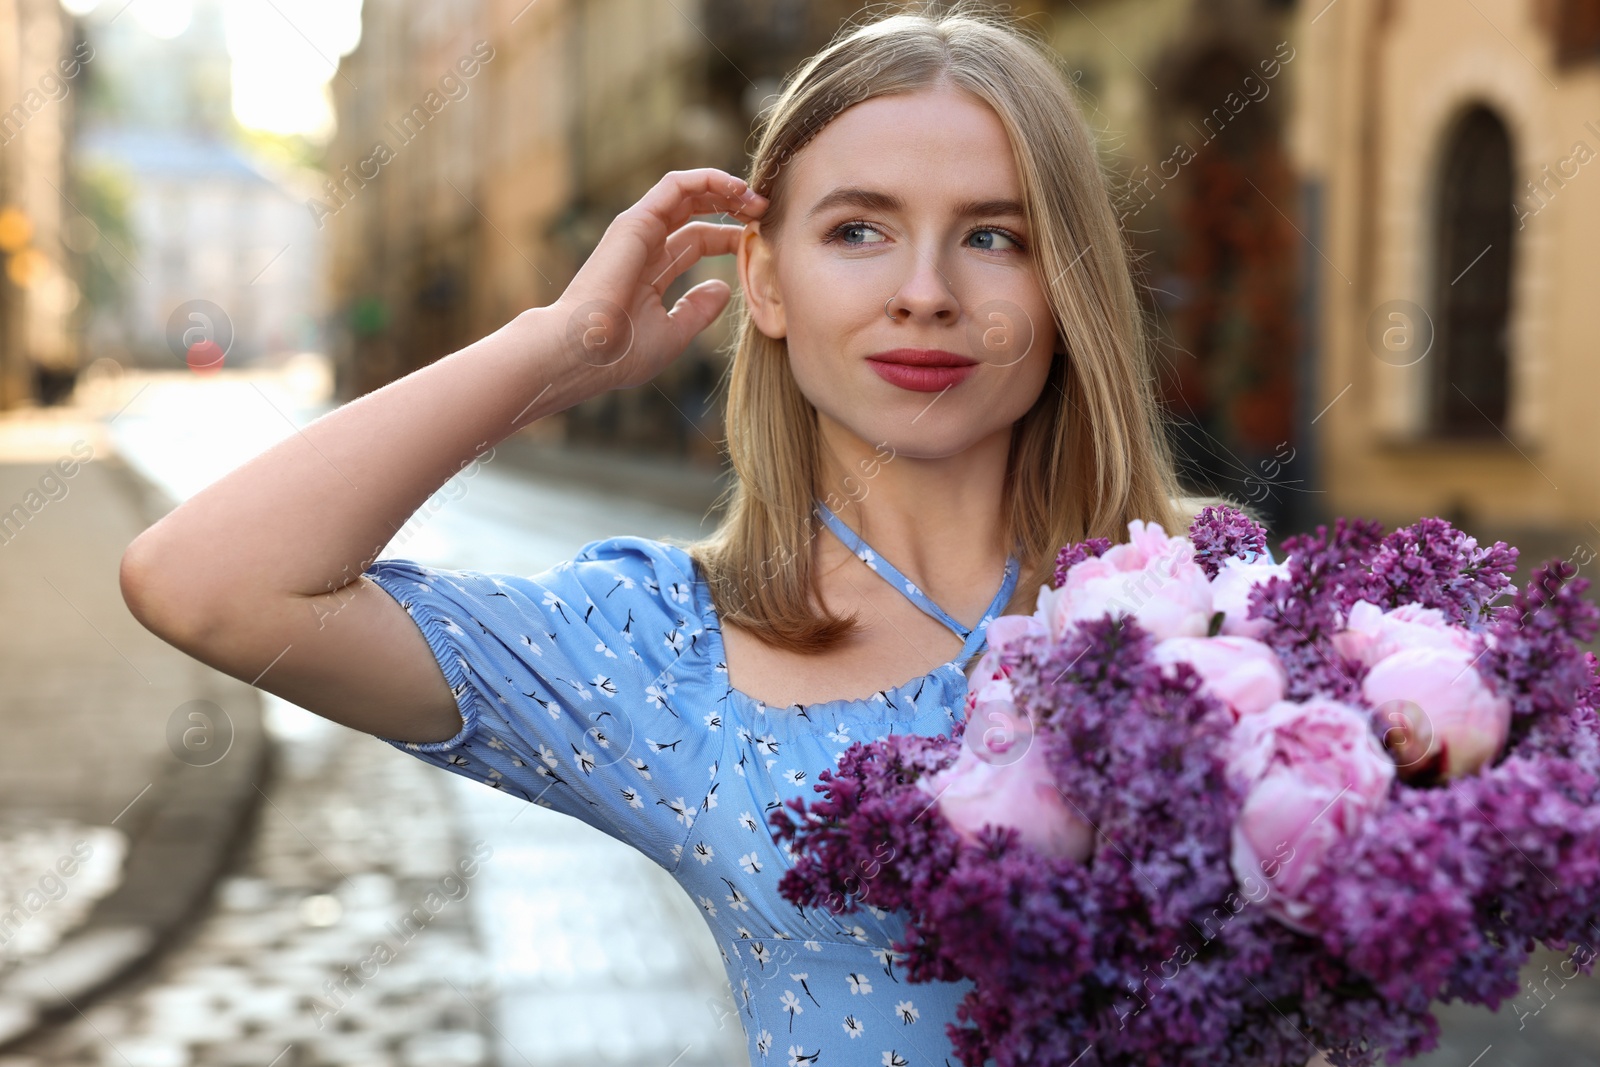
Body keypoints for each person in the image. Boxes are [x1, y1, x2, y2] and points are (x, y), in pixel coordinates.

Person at [120, 6, 1256, 1064]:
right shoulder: (666, 646)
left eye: (994, 236)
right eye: (858, 228)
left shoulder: (1218, 590)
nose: (925, 290)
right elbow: (206, 584)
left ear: (1067, 283)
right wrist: (554, 350)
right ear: (763, 279)